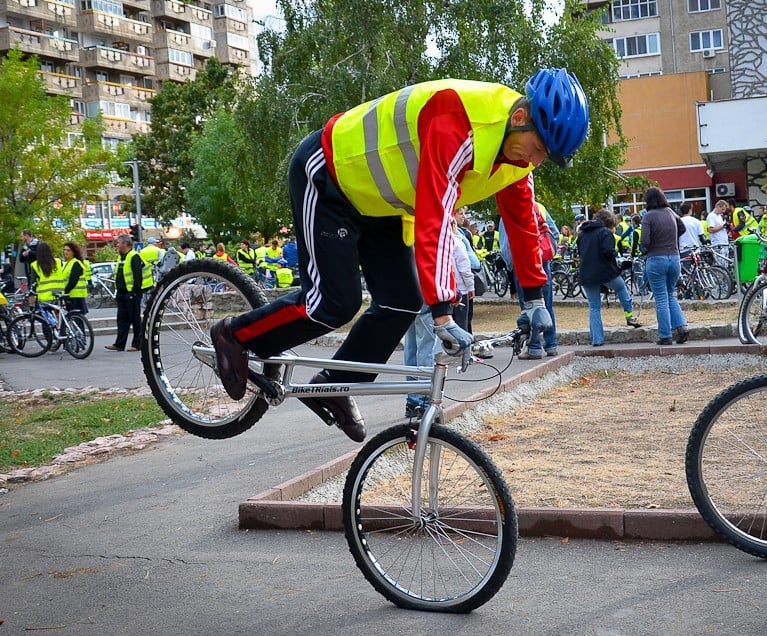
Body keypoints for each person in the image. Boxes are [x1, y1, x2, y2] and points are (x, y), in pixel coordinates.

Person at [209, 68, 589, 443]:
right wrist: (443, 312)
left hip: (381, 203)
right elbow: (437, 215)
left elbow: (522, 223)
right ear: (519, 118)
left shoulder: (517, 159)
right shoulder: (458, 120)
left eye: (546, 156)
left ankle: (336, 386)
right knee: (332, 303)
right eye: (538, 149)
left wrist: (535, 295)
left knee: (402, 302)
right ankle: (234, 335)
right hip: (329, 175)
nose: (536, 161)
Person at [500, 199, 559, 359]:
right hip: (543, 263)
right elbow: (555, 234)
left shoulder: (509, 207)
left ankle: (534, 347)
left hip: (523, 264)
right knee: (546, 305)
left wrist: (511, 267)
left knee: (529, 307)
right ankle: (551, 344)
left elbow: (506, 246)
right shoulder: (539, 207)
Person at [576, 209, 642, 347]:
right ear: (609, 222)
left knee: (594, 307)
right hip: (605, 272)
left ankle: (597, 339)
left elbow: (580, 252)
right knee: (621, 287)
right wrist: (616, 254)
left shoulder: (582, 234)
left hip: (586, 274)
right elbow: (608, 252)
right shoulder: (605, 233)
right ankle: (629, 316)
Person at [640, 187, 689, 346]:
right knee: (669, 294)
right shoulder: (670, 212)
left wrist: (647, 248)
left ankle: (665, 335)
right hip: (674, 258)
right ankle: (682, 327)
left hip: (656, 258)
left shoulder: (648, 216)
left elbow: (645, 241)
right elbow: (682, 228)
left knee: (661, 297)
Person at [105, 234, 150, 352]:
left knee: (135, 320)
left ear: (125, 244)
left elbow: (137, 276)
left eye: (119, 242)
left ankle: (137, 344)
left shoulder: (133, 256)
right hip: (122, 293)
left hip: (131, 294)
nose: (117, 245)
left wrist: (134, 292)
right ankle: (119, 344)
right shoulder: (122, 257)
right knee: (122, 320)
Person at [61, 241, 90, 315]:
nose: (65, 252)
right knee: (72, 319)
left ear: (74, 252)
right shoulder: (67, 263)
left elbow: (73, 281)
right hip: (70, 296)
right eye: (64, 250)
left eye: (68, 250)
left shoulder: (76, 263)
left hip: (76, 296)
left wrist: (64, 292)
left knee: (77, 319)